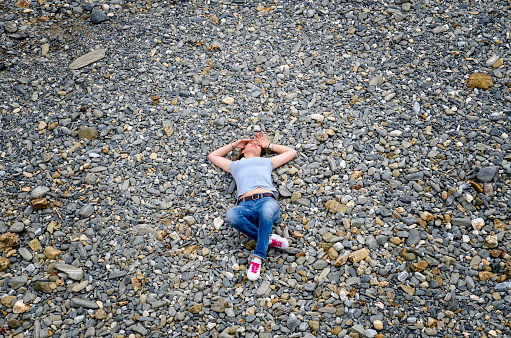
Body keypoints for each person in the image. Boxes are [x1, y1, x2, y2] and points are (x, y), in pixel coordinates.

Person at [208, 132, 297, 281]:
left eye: (257, 145)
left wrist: (269, 145)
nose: (254, 143)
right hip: (245, 205)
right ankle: (267, 239)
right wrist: (234, 145)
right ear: (242, 150)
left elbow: (291, 152)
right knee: (231, 215)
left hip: (266, 201)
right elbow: (213, 156)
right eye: (250, 143)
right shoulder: (235, 165)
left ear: (261, 153)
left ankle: (258, 257)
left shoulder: (267, 162)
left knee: (267, 211)